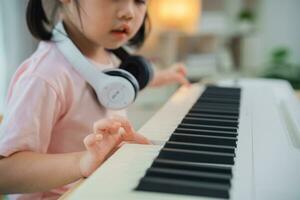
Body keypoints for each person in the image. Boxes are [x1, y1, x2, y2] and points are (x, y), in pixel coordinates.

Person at [0, 0, 189, 199]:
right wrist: (82, 162)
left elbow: (127, 81)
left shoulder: (109, 56)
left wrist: (159, 76)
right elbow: (5, 173)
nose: (129, 13)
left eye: (140, 1)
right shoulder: (44, 77)